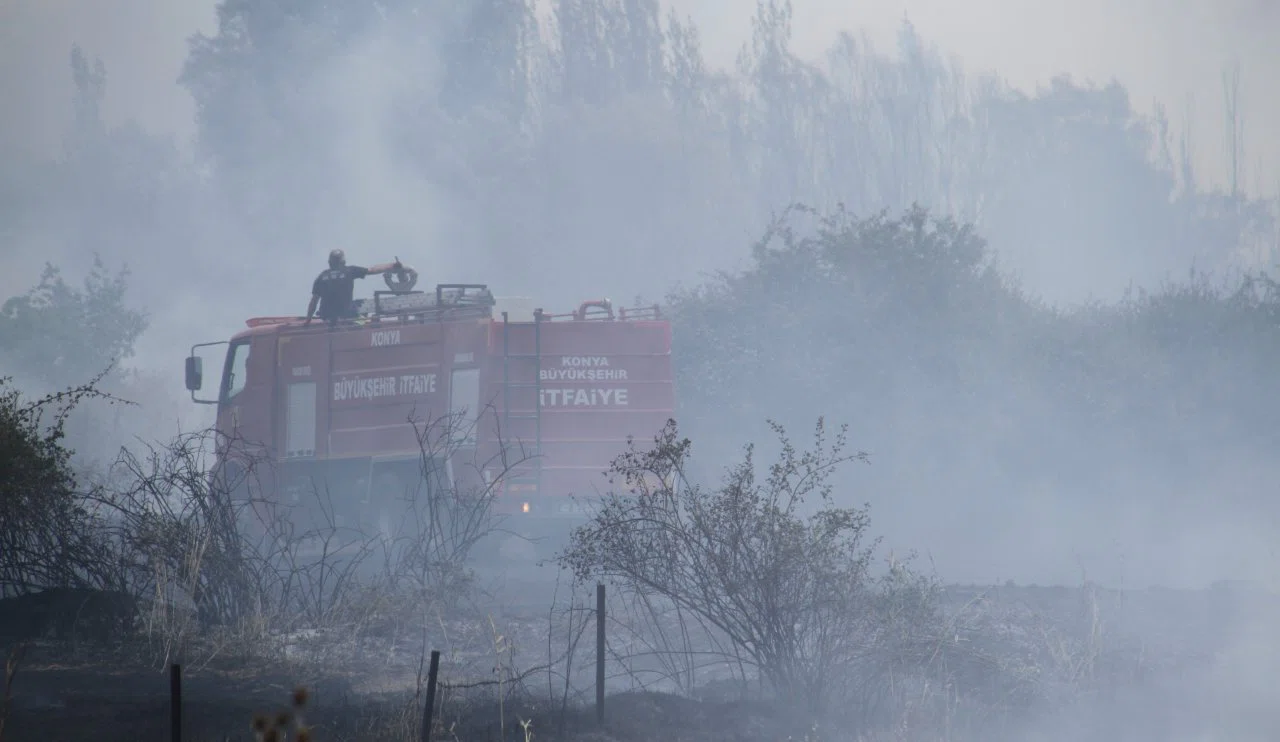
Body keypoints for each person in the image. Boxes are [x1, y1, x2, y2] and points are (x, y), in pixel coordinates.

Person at [305, 249, 403, 325]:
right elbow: (372, 270)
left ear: (330, 262)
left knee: (356, 305)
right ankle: (360, 326)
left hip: (325, 316)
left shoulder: (321, 276)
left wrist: (308, 320)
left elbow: (314, 301)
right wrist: (392, 265)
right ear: (343, 261)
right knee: (362, 314)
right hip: (345, 314)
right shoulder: (349, 271)